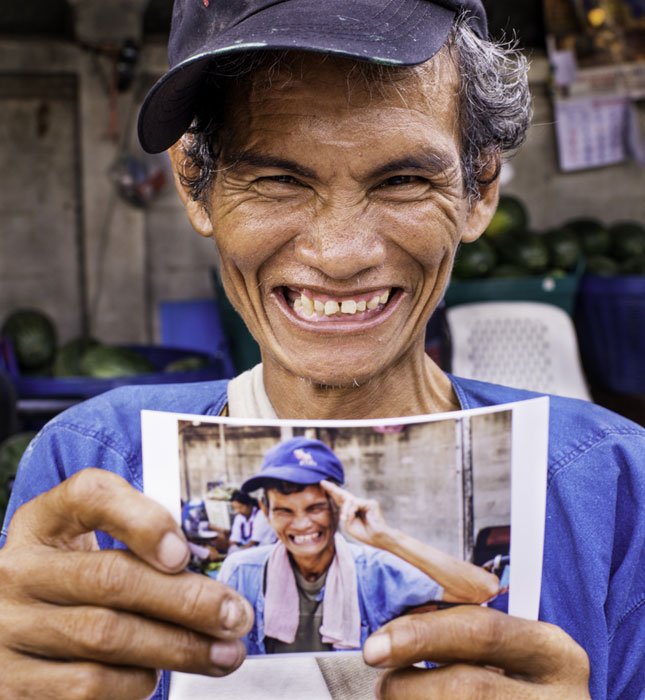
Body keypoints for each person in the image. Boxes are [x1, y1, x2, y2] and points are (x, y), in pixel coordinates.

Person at [0, 1, 642, 698]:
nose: (339, 256)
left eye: (401, 181)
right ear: (197, 185)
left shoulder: (610, 483)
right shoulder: (94, 463)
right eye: (278, 181)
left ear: (477, 189)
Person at [220, 436, 499, 654]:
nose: (302, 525)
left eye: (316, 508)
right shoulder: (242, 572)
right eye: (285, 511)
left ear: (337, 505)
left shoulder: (372, 570)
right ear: (264, 510)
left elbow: (483, 589)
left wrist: (385, 536)